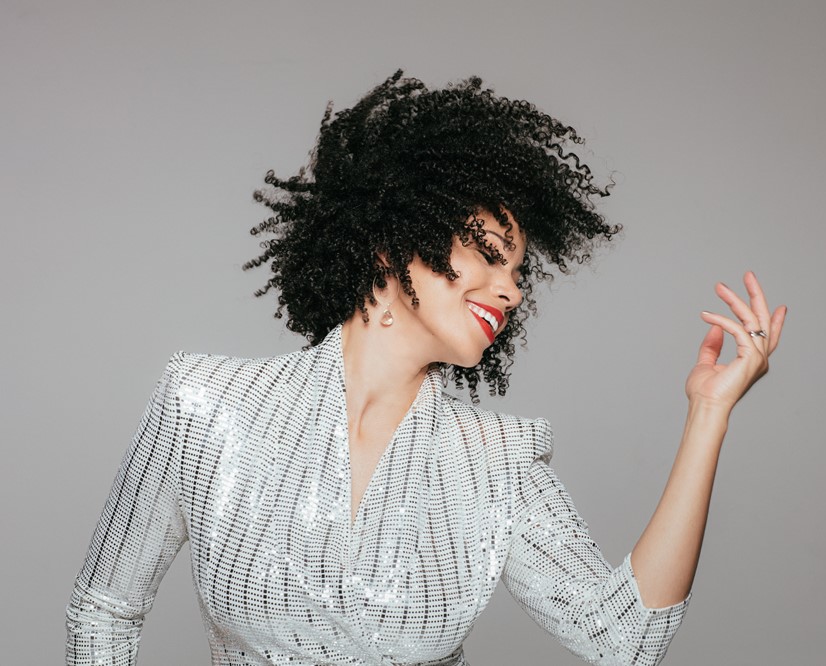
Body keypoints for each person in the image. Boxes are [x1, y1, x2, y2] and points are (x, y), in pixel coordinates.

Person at [66, 71, 786, 666]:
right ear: (393, 241)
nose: (512, 290)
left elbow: (624, 639)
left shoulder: (496, 463)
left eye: (519, 272)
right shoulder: (204, 405)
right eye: (489, 253)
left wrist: (709, 413)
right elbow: (103, 610)